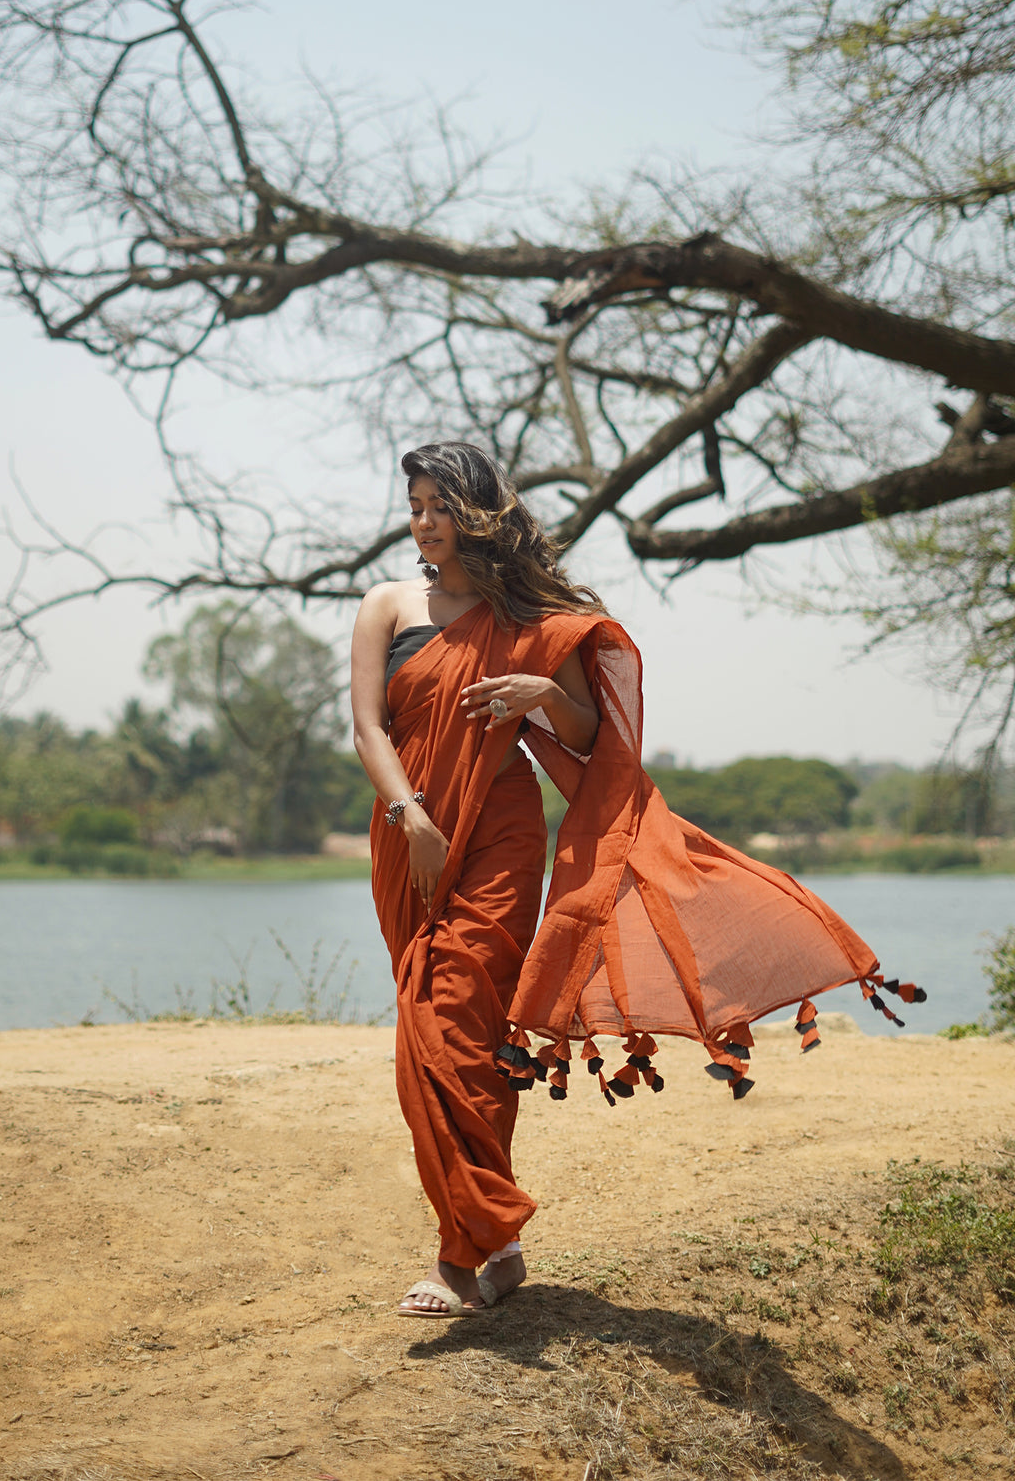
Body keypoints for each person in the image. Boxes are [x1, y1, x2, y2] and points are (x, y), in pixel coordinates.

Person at [350, 441, 922, 1320]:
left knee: (454, 1021)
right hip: (408, 833)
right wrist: (410, 817)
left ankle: (461, 1258)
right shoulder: (387, 605)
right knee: (442, 1028)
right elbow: (367, 728)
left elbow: (591, 736)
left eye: (439, 506)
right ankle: (500, 1245)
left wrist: (544, 693)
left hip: (500, 833)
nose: (423, 522)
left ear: (476, 514)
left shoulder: (532, 616)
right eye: (415, 506)